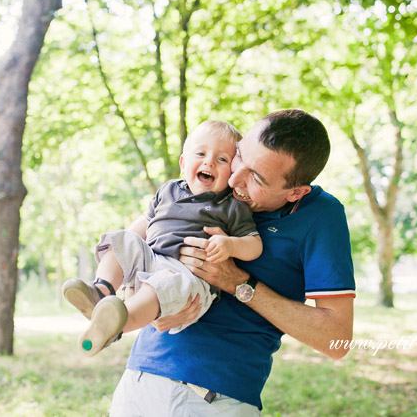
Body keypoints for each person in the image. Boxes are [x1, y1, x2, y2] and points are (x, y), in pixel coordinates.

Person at [109, 109, 356, 416]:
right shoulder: (201, 181)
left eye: (257, 178)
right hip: (140, 379)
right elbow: (128, 246)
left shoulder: (320, 215)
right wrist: (138, 299)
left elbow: (337, 340)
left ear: (296, 192)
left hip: (216, 398)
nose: (235, 179)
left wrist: (238, 282)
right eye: (240, 157)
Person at [62, 120, 262, 356]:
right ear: (183, 162)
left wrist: (230, 245)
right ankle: (102, 291)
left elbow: (254, 245)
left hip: (187, 278)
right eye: (200, 153)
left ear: (232, 173)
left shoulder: (230, 206)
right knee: (122, 239)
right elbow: (136, 232)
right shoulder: (168, 191)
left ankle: (117, 324)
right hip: (152, 259)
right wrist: (125, 265)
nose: (209, 161)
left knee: (163, 284)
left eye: (222, 159)